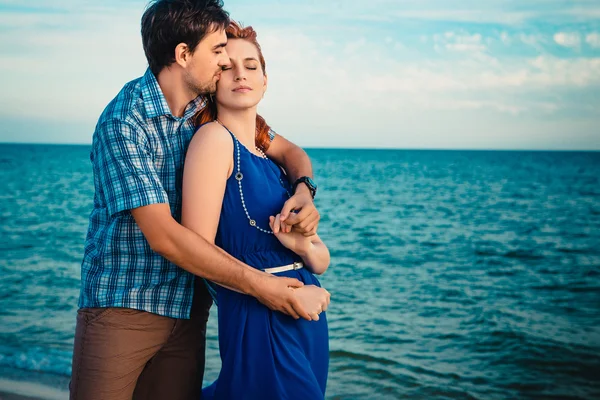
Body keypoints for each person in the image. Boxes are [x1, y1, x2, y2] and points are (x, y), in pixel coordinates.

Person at [69, 1, 330, 399]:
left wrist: (303, 189)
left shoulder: (201, 107)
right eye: (218, 53)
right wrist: (271, 289)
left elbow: (289, 152)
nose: (227, 62)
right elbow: (166, 237)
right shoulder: (125, 122)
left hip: (188, 311)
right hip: (125, 308)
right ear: (183, 54)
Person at [182, 21, 330, 399]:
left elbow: (319, 259)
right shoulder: (213, 139)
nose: (240, 74)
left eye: (251, 66)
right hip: (260, 313)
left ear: (265, 81)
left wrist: (303, 238)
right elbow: (194, 249)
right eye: (227, 66)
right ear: (212, 81)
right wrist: (270, 290)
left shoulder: (269, 157)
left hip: (307, 315)